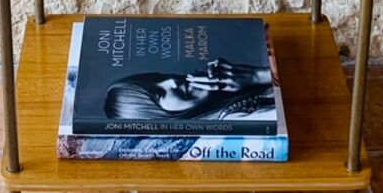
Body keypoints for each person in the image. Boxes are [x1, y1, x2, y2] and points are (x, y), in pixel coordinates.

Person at [103, 57, 274, 122]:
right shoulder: (236, 119)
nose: (172, 81)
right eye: (158, 94)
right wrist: (258, 76)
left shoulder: (230, 91)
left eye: (160, 77)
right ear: (157, 118)